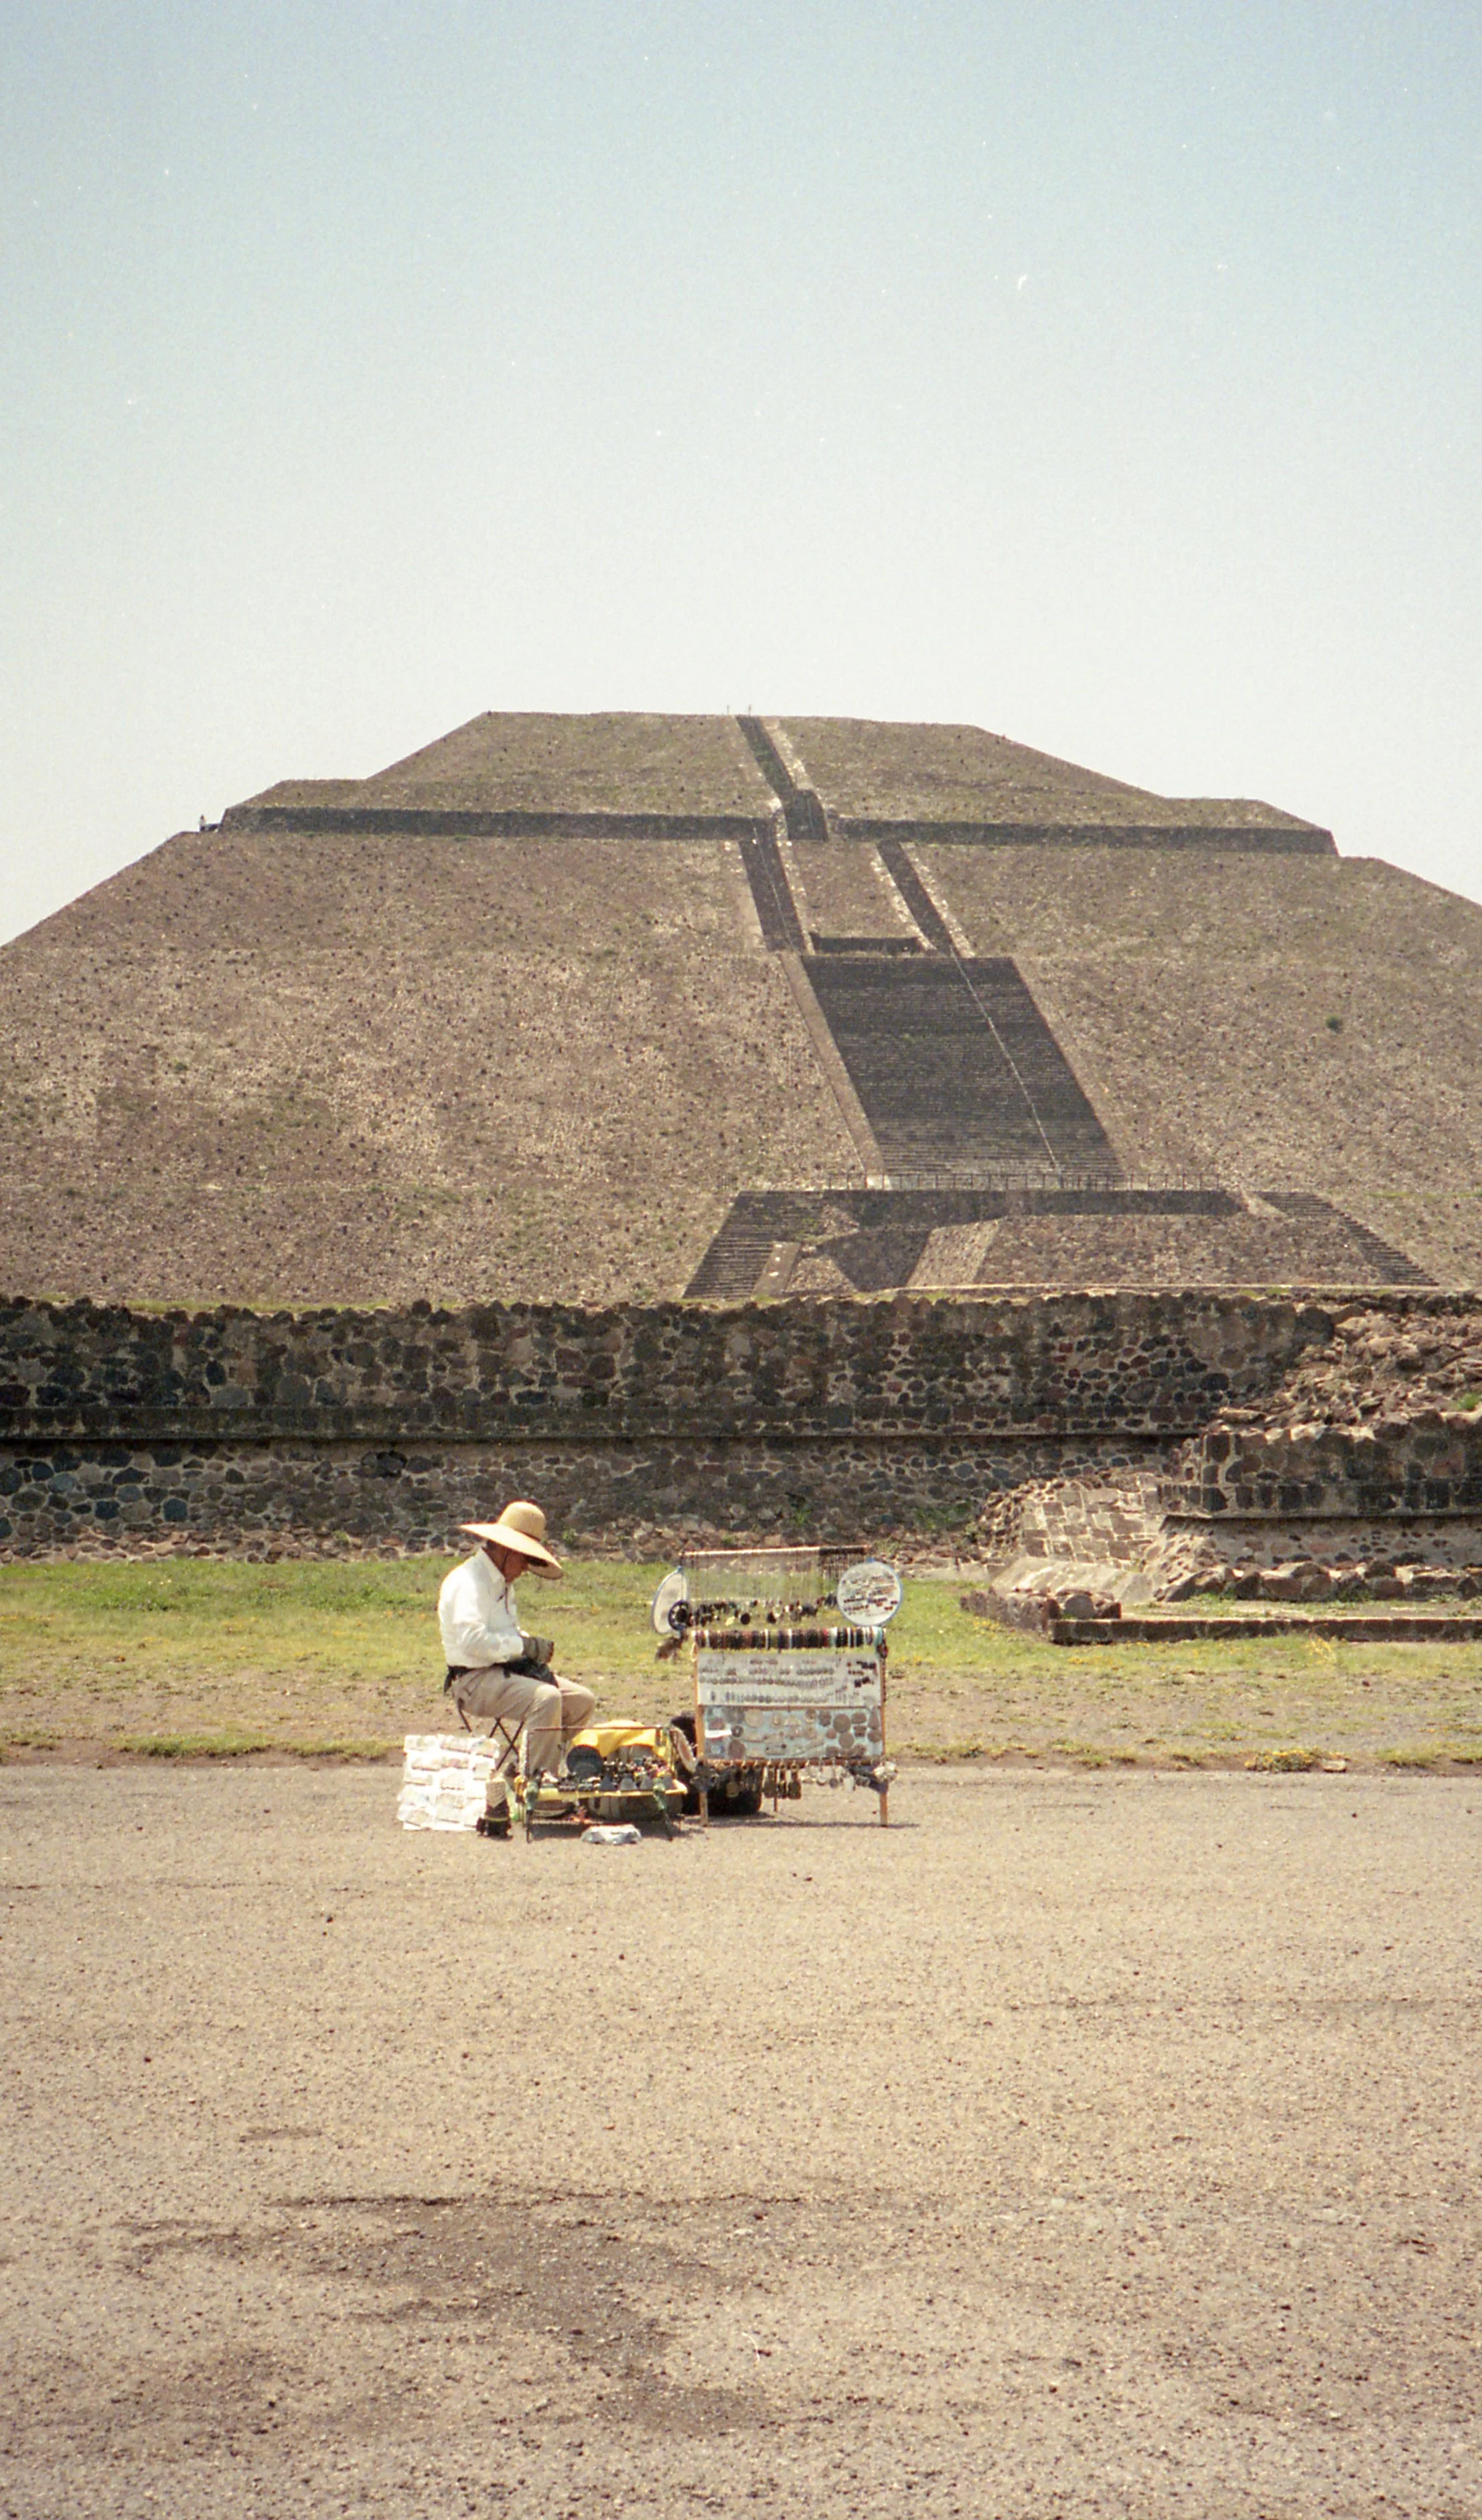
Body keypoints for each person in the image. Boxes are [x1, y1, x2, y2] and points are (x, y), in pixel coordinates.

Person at [437, 1500, 596, 1785]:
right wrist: (523, 1647)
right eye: (525, 1559)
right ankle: (539, 1788)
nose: (526, 1568)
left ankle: (525, 1768)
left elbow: (505, 1634)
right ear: (506, 1550)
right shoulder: (467, 1581)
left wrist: (530, 1644)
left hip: (504, 1672)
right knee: (547, 1699)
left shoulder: (503, 1585)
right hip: (473, 1681)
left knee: (582, 1701)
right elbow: (473, 1641)